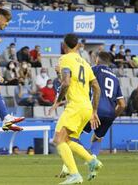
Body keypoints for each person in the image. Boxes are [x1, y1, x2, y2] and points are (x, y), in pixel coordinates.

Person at [59, 51, 126, 179]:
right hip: (110, 112)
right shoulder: (115, 78)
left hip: (93, 109)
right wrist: (112, 116)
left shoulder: (92, 70)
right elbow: (122, 104)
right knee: (97, 137)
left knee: (70, 136)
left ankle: (77, 164)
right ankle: (93, 161)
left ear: (97, 60)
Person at [48, 34, 102, 184]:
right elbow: (97, 87)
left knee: (58, 140)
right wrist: (94, 111)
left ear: (64, 46)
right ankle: (92, 161)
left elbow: (65, 83)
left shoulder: (65, 59)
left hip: (75, 106)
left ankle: (74, 175)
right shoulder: (85, 63)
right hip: (86, 107)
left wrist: (57, 101)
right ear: (77, 45)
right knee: (68, 140)